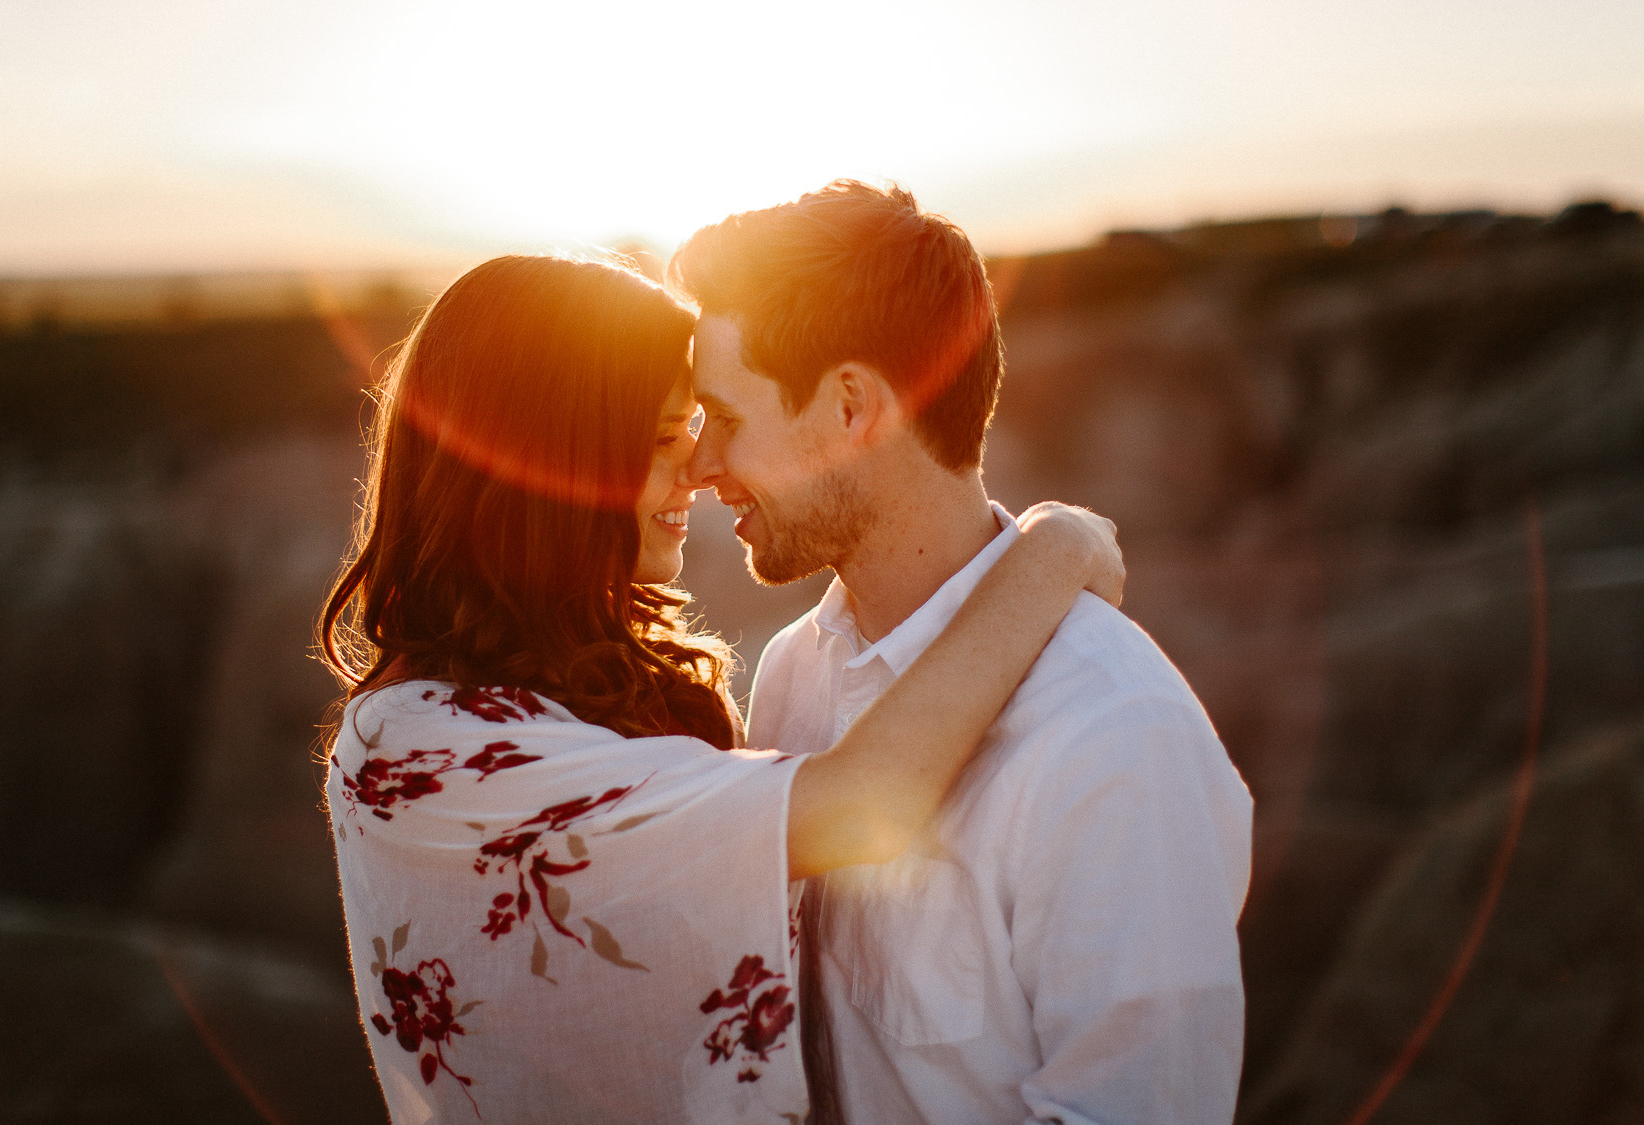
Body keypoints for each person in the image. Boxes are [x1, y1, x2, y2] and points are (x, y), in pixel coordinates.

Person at [318, 253, 1123, 1124]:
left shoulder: (562, 689)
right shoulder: (422, 751)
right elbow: (865, 803)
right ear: (549, 462)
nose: (699, 468)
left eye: (704, 425)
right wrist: (1055, 546)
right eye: (664, 437)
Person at [670, 181, 1255, 1125]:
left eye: (726, 419)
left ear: (852, 404)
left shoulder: (1116, 737)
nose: (699, 467)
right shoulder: (791, 674)